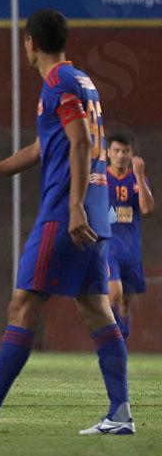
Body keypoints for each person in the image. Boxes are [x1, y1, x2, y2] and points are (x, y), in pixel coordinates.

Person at [0, 9, 133, 435]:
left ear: (29, 43)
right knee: (96, 307)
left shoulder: (56, 83)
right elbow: (44, 148)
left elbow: (80, 141)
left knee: (24, 303)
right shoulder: (82, 80)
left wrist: (75, 205)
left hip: (66, 212)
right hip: (95, 212)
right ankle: (120, 413)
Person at [105, 130, 153, 342]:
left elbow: (146, 208)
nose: (121, 155)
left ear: (131, 154)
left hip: (131, 249)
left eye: (125, 151)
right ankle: (111, 342)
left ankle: (120, 344)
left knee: (125, 302)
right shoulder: (101, 178)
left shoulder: (136, 179)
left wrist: (140, 176)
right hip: (108, 247)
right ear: (108, 152)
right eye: (116, 151)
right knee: (113, 294)